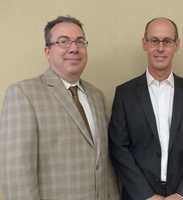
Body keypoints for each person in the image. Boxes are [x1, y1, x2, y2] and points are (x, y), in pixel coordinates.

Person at [0, 16, 119, 200]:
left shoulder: (97, 96)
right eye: (63, 41)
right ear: (47, 51)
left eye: (80, 41)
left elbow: (104, 165)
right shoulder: (23, 94)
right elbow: (16, 176)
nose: (74, 48)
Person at [109, 17, 183, 200]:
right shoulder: (124, 94)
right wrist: (146, 195)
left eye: (167, 41)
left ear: (177, 45)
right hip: (138, 195)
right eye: (154, 41)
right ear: (144, 44)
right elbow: (119, 148)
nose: (160, 48)